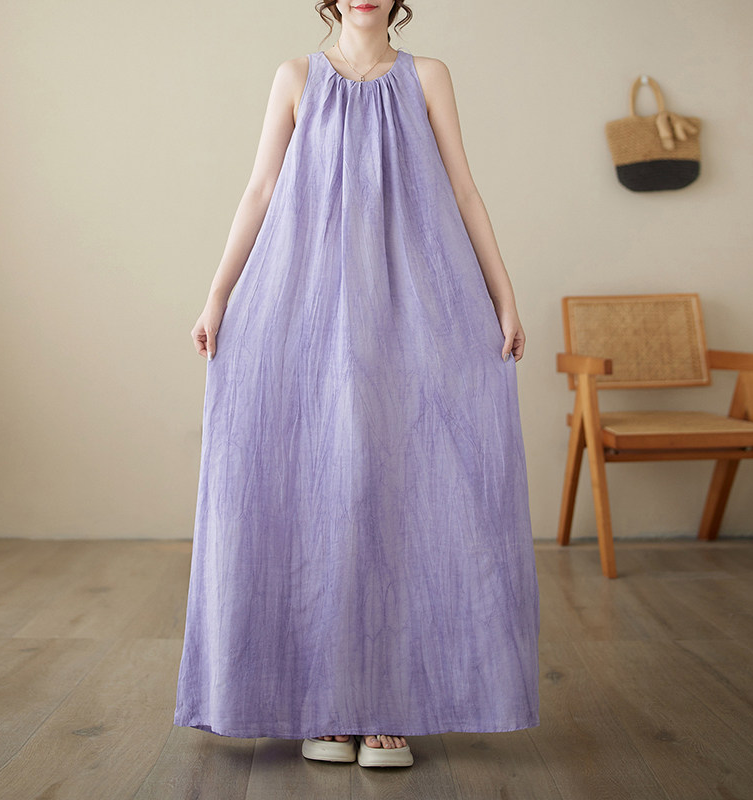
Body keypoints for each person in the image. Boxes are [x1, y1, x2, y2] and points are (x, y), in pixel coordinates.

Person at [173, 0, 540, 769]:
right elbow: (260, 190)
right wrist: (217, 296)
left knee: (396, 496)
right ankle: (328, 703)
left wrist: (503, 297)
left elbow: (464, 192)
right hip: (304, 306)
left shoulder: (428, 76)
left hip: (412, 306)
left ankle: (386, 702)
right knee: (319, 493)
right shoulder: (296, 77)